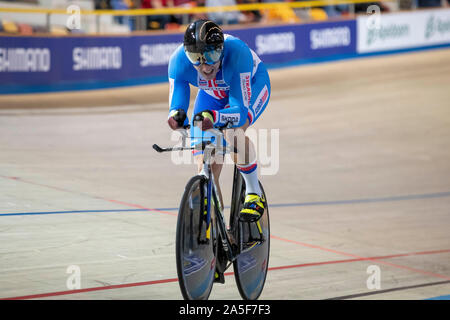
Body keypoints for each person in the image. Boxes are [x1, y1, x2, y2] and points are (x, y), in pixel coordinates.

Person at [167, 20, 270, 225]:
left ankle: (253, 193)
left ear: (221, 50)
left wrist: (215, 117)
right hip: (211, 96)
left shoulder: (237, 53)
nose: (204, 67)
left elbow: (239, 112)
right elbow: (176, 106)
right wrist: (176, 118)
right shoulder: (178, 61)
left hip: (251, 86)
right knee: (206, 164)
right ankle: (219, 232)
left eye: (211, 56)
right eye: (196, 58)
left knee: (233, 133)